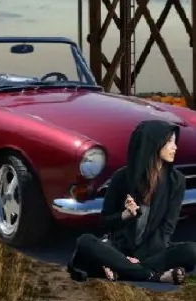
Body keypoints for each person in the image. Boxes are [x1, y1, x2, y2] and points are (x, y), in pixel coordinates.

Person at [68, 120, 196, 284]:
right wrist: (124, 215)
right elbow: (105, 222)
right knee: (85, 241)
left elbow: (166, 229)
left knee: (191, 251)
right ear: (153, 143)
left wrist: (134, 259)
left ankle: (118, 269)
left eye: (174, 141)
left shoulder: (176, 181)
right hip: (118, 248)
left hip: (153, 249)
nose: (175, 147)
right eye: (169, 141)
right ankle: (153, 275)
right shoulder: (122, 178)